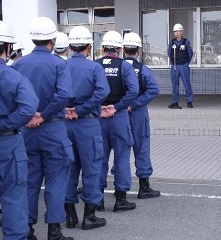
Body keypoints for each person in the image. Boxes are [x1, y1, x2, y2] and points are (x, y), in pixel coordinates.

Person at [12, 17, 74, 240]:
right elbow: (64, 94)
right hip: (53, 129)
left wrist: (29, 116)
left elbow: (12, 97)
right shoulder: (59, 64)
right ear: (53, 39)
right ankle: (54, 231)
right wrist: (45, 115)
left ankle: (27, 230)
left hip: (26, 130)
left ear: (32, 38)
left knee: (29, 182)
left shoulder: (18, 64)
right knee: (56, 180)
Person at [64, 26, 110, 230]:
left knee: (68, 169)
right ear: (89, 47)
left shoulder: (62, 66)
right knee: (91, 168)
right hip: (88, 123)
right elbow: (102, 92)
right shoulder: (94, 68)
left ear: (70, 46)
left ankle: (70, 214)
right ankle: (89, 217)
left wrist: (67, 109)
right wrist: (82, 109)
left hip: (65, 122)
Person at [0, 20, 39, 239]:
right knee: (13, 197)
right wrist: (5, 123)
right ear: (8, 48)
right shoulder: (14, 76)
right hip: (7, 143)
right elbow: (28, 108)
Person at [95, 30, 138, 212]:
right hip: (118, 116)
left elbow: (88, 90)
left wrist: (100, 107)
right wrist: (117, 106)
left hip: (98, 117)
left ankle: (97, 200)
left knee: (99, 159)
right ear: (120, 49)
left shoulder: (95, 65)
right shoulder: (124, 66)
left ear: (103, 48)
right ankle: (120, 200)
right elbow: (133, 91)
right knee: (121, 158)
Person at [123, 32, 161, 199]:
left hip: (119, 114)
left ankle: (120, 189)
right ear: (138, 50)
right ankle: (144, 187)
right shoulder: (142, 69)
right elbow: (154, 89)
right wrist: (135, 103)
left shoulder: (117, 67)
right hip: (137, 114)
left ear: (123, 49)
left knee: (121, 150)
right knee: (142, 148)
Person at [167, 23, 194, 109]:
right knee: (175, 84)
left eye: (178, 31)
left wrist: (186, 62)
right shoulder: (172, 42)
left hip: (183, 66)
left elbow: (190, 54)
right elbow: (169, 53)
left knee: (187, 84)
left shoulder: (186, 42)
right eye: (175, 31)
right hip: (174, 66)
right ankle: (175, 102)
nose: (177, 33)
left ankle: (189, 101)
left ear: (182, 32)